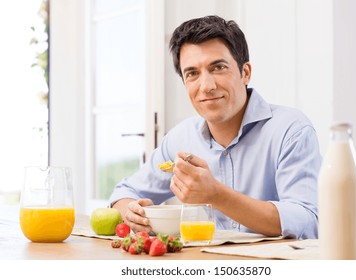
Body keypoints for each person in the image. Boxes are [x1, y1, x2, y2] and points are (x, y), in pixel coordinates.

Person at [109, 15, 322, 239]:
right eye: (192, 74)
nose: (206, 86)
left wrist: (216, 195)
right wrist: (132, 213)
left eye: (218, 67)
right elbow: (123, 194)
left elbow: (307, 220)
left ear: (245, 73)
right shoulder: (180, 138)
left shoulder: (291, 131)